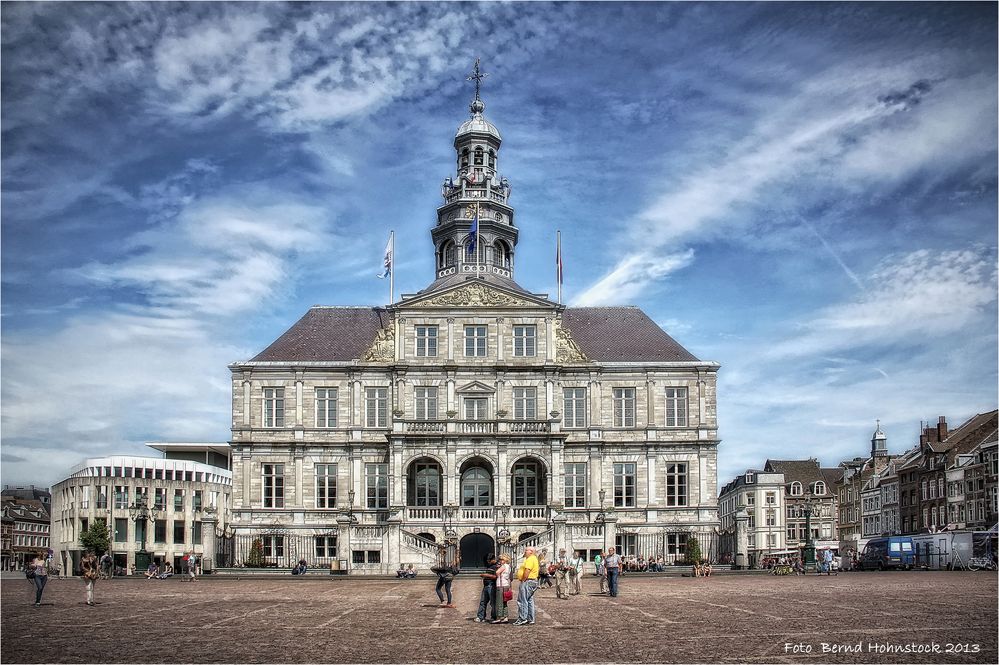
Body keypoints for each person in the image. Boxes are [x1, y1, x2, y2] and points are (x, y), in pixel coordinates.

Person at [512, 546, 540, 626]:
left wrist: (523, 580)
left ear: (531, 551)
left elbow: (527, 570)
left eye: (526, 550)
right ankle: (530, 618)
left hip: (528, 581)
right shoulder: (533, 558)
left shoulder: (530, 559)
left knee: (522, 600)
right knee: (529, 600)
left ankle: (522, 618)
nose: (525, 551)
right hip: (532, 581)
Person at [432, 543, 459, 608]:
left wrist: (437, 571)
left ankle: (443, 601)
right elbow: (455, 564)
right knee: (448, 590)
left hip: (444, 575)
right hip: (450, 575)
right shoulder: (452, 557)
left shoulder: (442, 557)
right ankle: (449, 603)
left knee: (438, 588)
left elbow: (442, 567)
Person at [475, 554, 498, 623]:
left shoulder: (496, 566)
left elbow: (496, 576)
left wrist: (486, 575)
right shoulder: (489, 566)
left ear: (493, 559)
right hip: (486, 585)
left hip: (492, 585)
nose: (488, 562)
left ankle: (494, 616)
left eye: (489, 560)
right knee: (483, 601)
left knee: (493, 602)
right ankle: (481, 616)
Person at [492, 554, 512, 624]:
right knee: (504, 601)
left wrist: (498, 574)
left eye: (501, 560)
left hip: (500, 585)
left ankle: (499, 617)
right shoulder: (509, 566)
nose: (500, 561)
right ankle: (505, 616)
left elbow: (497, 572)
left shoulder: (504, 566)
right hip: (506, 584)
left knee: (499, 602)